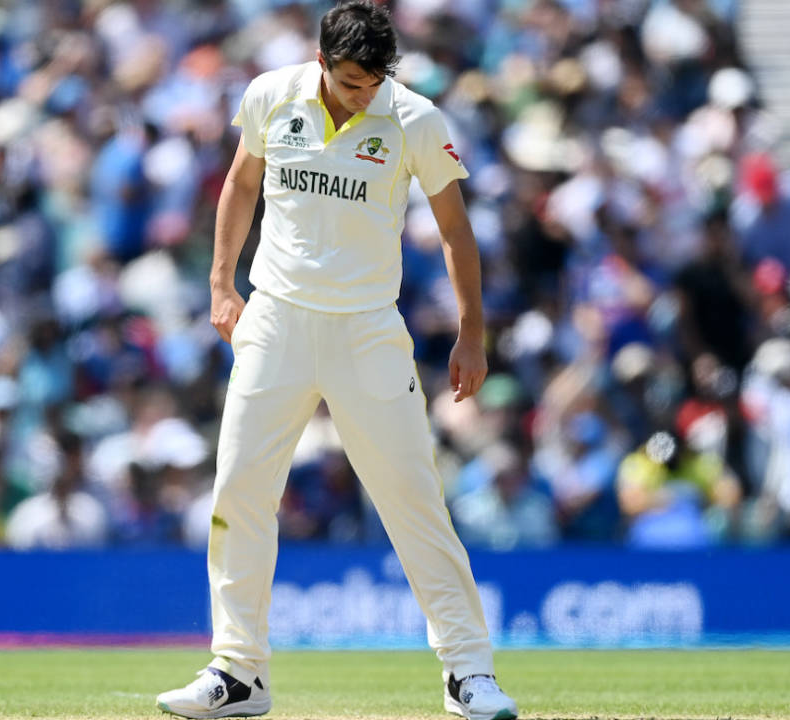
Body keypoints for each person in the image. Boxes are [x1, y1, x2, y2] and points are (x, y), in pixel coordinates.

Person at [155, 4, 518, 720]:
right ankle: (238, 673)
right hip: (277, 319)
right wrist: (221, 282)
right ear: (321, 61)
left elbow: (455, 230)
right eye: (352, 82)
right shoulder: (269, 94)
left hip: (366, 329)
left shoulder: (414, 118)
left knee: (413, 500)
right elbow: (239, 184)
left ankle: (468, 672)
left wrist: (472, 332)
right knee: (238, 492)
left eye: (376, 80)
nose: (365, 95)